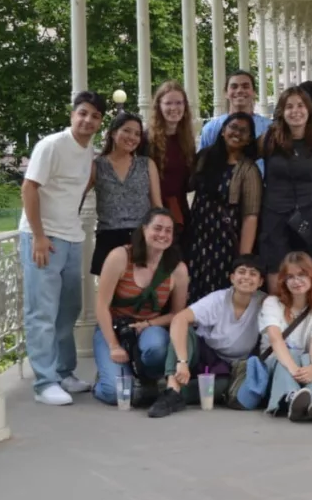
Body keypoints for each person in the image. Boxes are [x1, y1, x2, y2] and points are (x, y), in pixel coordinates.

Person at [18, 91, 105, 406]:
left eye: (95, 116)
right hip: (43, 239)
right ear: (72, 114)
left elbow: (81, 187)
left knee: (68, 310)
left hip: (72, 237)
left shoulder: (87, 151)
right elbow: (29, 187)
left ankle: (63, 372)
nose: (88, 120)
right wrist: (39, 236)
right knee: (42, 312)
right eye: (83, 113)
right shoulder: (51, 145)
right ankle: (44, 383)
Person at [93, 208, 190, 406]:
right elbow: (101, 306)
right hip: (113, 328)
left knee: (157, 347)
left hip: (149, 328)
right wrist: (113, 345)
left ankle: (148, 378)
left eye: (168, 231)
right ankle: (106, 378)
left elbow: (177, 314)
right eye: (157, 228)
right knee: (115, 394)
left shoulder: (178, 269)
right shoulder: (120, 256)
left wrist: (148, 323)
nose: (162, 235)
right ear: (144, 229)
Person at [149, 255, 267, 418]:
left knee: (219, 388)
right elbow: (179, 319)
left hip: (232, 367)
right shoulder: (218, 299)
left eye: (253, 274)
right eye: (241, 272)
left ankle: (158, 393)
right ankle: (172, 388)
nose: (246, 277)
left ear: (260, 282)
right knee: (187, 332)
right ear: (232, 278)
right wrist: (182, 362)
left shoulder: (265, 303)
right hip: (205, 355)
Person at [258, 87, 312, 295]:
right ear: (281, 112)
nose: (295, 111)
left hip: (308, 214)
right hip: (274, 214)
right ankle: (277, 321)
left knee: (307, 271)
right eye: (289, 106)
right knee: (275, 268)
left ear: (309, 110)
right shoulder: (269, 139)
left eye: (300, 105)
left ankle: (307, 321)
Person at [186, 112, 263, 302]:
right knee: (193, 291)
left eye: (244, 131)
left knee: (220, 296)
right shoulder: (205, 157)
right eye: (233, 127)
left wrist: (243, 260)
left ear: (249, 139)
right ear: (222, 131)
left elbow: (250, 216)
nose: (237, 133)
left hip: (225, 244)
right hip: (197, 238)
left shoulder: (248, 170)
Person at [259, 252, 312, 421]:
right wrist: (295, 370)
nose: (296, 281)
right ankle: (290, 397)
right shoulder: (272, 303)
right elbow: (276, 340)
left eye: (301, 275)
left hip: (302, 367)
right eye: (290, 277)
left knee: (308, 358)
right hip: (275, 363)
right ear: (284, 280)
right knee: (290, 353)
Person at [90, 111, 162, 275]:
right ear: (114, 132)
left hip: (141, 237)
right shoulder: (97, 166)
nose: (132, 137)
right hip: (109, 237)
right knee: (111, 296)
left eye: (137, 134)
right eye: (127, 131)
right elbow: (76, 198)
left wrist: (160, 236)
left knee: (140, 293)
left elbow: (157, 205)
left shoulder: (146, 164)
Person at [148, 81, 195, 237]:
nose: (174, 108)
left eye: (178, 103)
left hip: (180, 211)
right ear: (159, 107)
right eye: (168, 103)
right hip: (153, 213)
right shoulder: (147, 139)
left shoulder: (186, 139)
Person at [198, 70, 272, 149]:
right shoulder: (211, 129)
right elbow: (202, 159)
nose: (240, 90)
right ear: (226, 93)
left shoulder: (268, 127)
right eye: (234, 87)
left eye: (245, 86)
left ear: (254, 93)